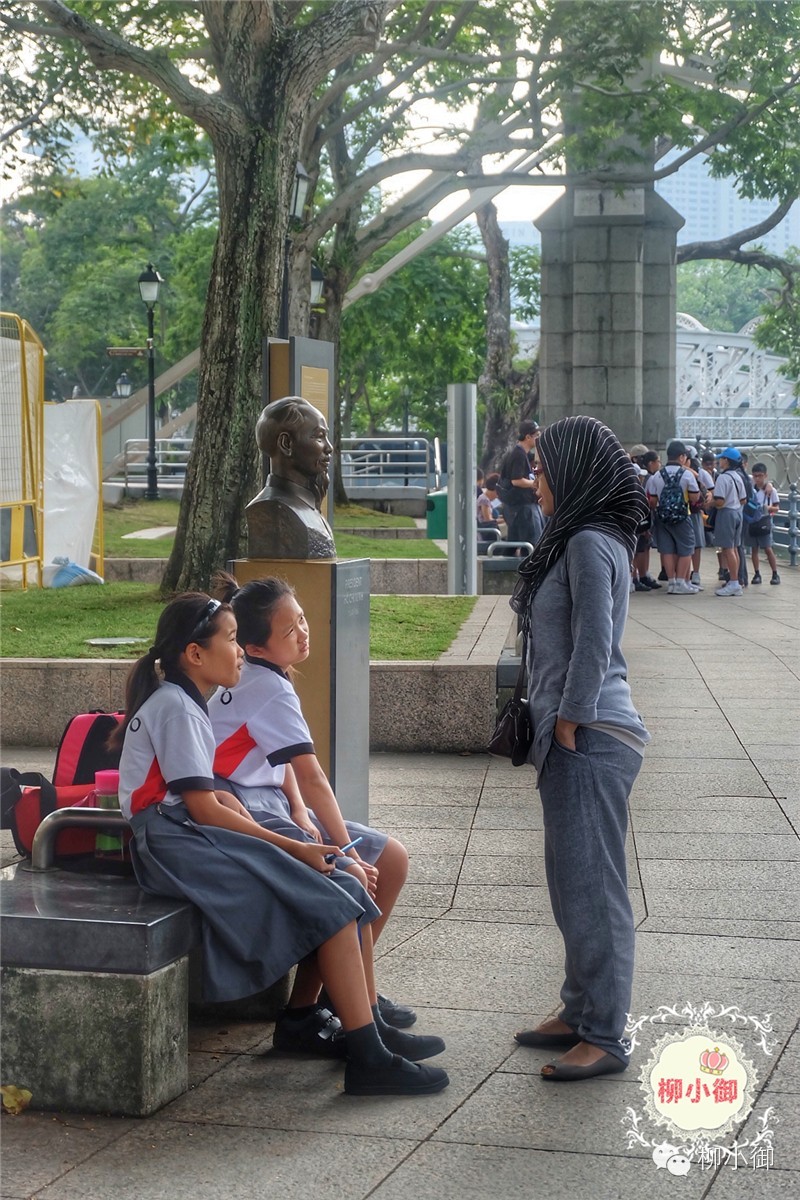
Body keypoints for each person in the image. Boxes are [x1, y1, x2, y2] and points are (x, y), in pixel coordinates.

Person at [112, 592, 448, 1097]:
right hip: (174, 841)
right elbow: (201, 809)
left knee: (338, 888)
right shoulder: (178, 708)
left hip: (188, 831)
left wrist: (272, 826)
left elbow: (212, 799)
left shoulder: (187, 701)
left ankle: (359, 1035)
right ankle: (366, 1050)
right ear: (195, 654)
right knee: (332, 894)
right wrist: (295, 847)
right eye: (230, 640)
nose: (240, 652)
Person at [208, 572, 415, 1032]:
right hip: (246, 811)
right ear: (256, 648)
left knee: (392, 858)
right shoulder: (267, 687)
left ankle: (342, 996)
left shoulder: (259, 676)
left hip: (268, 803)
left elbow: (282, 763)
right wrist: (349, 851)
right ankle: (329, 1008)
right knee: (354, 876)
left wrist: (299, 809)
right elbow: (313, 774)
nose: (303, 632)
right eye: (289, 630)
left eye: (302, 620)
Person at [510, 416, 650, 1082]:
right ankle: (576, 1009)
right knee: (571, 885)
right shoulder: (574, 537)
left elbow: (597, 641)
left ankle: (605, 1033)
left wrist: (568, 721)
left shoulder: (592, 541)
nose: (532, 480)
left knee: (595, 890)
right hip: (567, 737)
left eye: (540, 469)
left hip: (590, 736)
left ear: (572, 472)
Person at [246, 396, 336, 559]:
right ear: (286, 444)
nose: (329, 447)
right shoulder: (271, 509)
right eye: (319, 436)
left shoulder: (307, 505)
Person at [644, 440, 700, 594]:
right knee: (687, 549)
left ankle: (672, 582)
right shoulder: (687, 474)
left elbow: (653, 501)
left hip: (662, 518)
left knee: (667, 550)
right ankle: (682, 582)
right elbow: (695, 498)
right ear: (681, 457)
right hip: (682, 516)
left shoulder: (657, 476)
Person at [499, 420, 542, 550]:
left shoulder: (523, 454)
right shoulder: (518, 454)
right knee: (529, 544)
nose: (538, 438)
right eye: (537, 435)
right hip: (521, 507)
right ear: (528, 437)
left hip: (520, 507)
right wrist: (535, 483)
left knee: (516, 543)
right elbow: (516, 480)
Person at [710, 448, 746, 597]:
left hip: (727, 513)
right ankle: (735, 581)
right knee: (735, 548)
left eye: (722, 459)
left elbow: (720, 501)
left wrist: (709, 502)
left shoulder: (723, 478)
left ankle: (733, 582)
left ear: (727, 461)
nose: (719, 461)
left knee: (728, 549)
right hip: (738, 512)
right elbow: (744, 499)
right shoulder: (738, 477)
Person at [747, 463, 781, 585]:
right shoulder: (750, 488)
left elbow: (777, 507)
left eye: (760, 476)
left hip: (764, 520)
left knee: (767, 548)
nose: (757, 479)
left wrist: (768, 508)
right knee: (754, 549)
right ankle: (757, 573)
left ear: (765, 475)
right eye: (755, 476)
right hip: (752, 521)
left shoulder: (771, 491)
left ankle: (775, 573)